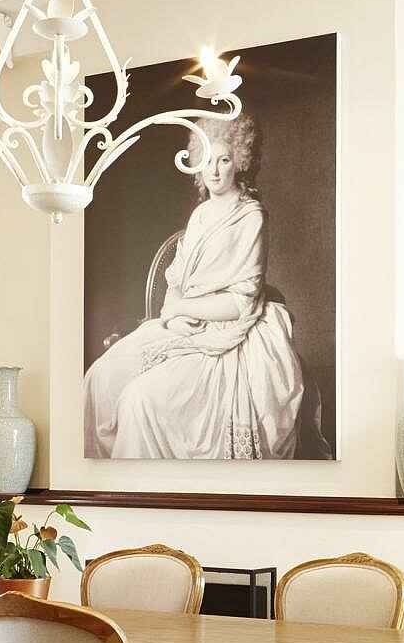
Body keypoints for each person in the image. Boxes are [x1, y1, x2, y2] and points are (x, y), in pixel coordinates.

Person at [84, 113, 302, 459]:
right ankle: (97, 479)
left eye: (224, 160)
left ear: (240, 162)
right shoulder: (200, 215)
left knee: (139, 400)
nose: (214, 170)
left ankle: (145, 487)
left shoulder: (251, 216)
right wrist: (172, 317)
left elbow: (241, 303)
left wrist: (180, 308)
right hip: (182, 325)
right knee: (101, 376)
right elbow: (176, 280)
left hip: (227, 334)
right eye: (207, 160)